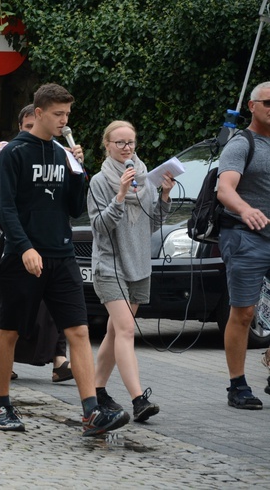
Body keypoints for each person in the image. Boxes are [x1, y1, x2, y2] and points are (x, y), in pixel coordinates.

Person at [0, 83, 129, 435]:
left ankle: (90, 412)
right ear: (38, 114)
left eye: (67, 114)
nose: (64, 122)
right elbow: (4, 209)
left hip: (61, 255)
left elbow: (74, 207)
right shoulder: (14, 153)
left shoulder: (62, 153)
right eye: (57, 115)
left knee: (79, 331)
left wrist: (78, 171)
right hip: (23, 257)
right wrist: (24, 248)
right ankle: (2, 404)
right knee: (10, 331)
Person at [0, 104, 73, 383]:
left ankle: (59, 360)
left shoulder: (59, 155)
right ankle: (2, 365)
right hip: (13, 245)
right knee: (4, 309)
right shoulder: (9, 154)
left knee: (52, 308)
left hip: (49, 246)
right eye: (26, 127)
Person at [88, 120, 173, 421]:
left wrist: (163, 195)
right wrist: (120, 195)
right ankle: (139, 400)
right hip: (109, 265)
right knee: (124, 329)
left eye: (131, 142)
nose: (127, 149)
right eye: (120, 143)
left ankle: (96, 391)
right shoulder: (100, 181)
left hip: (138, 264)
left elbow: (153, 224)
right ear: (107, 145)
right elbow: (99, 227)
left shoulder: (145, 177)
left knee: (114, 331)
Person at [216, 81, 270, 410]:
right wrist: (246, 209)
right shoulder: (241, 143)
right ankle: (237, 385)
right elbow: (225, 189)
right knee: (244, 313)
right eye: (268, 103)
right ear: (252, 106)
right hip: (244, 236)